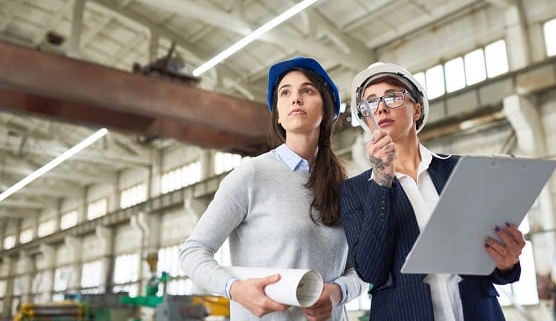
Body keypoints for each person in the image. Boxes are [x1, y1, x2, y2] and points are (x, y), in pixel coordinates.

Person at [179, 56, 365, 321]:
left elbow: (360, 268)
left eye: (307, 90)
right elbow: (192, 251)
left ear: (327, 108)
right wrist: (235, 289)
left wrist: (338, 292)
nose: (295, 98)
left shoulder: (345, 187)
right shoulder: (252, 175)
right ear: (278, 114)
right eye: (285, 93)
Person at [340, 62, 526, 321]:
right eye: (370, 103)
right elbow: (371, 271)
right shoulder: (355, 190)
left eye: (392, 96)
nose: (380, 107)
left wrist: (506, 262)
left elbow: (489, 260)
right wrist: (382, 179)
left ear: (416, 109)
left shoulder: (461, 171)